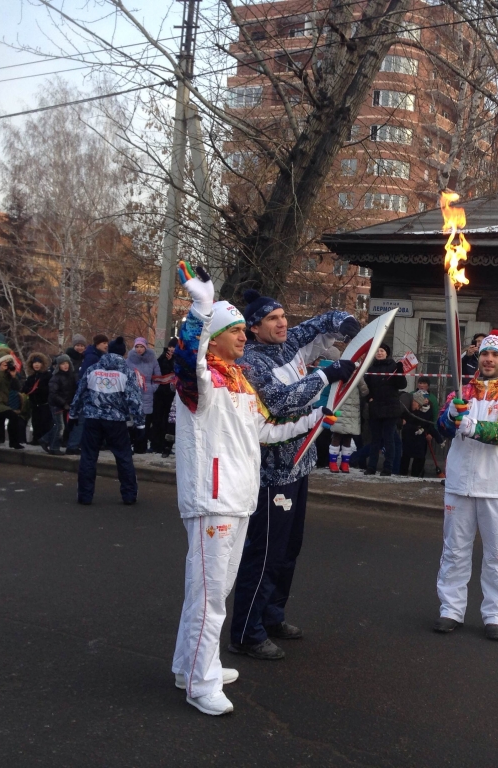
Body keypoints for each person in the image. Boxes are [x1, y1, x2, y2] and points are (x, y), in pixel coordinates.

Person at [169, 262, 329, 716]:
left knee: (213, 591)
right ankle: (201, 684)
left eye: (244, 329)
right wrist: (200, 308)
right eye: (234, 330)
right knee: (209, 593)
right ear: (213, 337)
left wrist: (315, 417)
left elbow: (266, 429)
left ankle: (191, 666)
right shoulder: (199, 381)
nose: (243, 336)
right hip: (212, 498)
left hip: (240, 496)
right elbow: (186, 358)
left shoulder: (238, 380)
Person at [228, 288, 360, 661]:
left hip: (299, 465)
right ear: (254, 328)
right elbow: (281, 401)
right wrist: (326, 375)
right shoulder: (252, 362)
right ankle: (246, 633)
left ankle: (272, 617)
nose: (283, 322)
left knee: (289, 551)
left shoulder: (289, 343)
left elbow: (322, 321)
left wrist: (349, 325)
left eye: (283, 315)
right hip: (272, 472)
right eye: (272, 319)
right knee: (265, 553)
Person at [433, 332, 498, 641]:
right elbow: (442, 429)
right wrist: (450, 415)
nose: (489, 359)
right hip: (459, 483)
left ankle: (496, 615)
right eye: (485, 353)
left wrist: (469, 424)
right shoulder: (461, 392)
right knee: (454, 551)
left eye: (495, 355)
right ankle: (450, 610)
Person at [69, 337, 144, 505]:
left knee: (88, 457)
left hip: (93, 419)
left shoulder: (93, 370)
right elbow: (135, 400)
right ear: (124, 353)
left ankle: (85, 496)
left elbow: (79, 393)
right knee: (123, 457)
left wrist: (73, 415)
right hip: (116, 421)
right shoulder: (126, 373)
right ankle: (129, 495)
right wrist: (140, 424)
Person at [363, 344, 406, 476]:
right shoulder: (371, 368)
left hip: (391, 409)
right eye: (377, 351)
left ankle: (388, 468)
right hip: (375, 408)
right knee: (375, 439)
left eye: (382, 351)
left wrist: (400, 372)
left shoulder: (394, 366)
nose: (379, 353)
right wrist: (369, 398)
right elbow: (365, 386)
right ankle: (371, 467)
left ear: (387, 353)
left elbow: (402, 385)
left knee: (389, 439)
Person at [67, 334, 110, 454]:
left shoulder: (97, 355)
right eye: (103, 343)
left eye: (107, 343)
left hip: (92, 392)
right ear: (97, 344)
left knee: (86, 420)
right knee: (81, 420)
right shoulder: (92, 357)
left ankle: (77, 444)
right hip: (89, 393)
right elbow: (85, 376)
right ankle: (73, 445)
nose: (106, 345)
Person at [126, 337, 161, 454]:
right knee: (131, 421)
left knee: (144, 422)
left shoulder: (152, 360)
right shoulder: (130, 359)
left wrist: (152, 388)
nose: (139, 349)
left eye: (141, 347)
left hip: (147, 393)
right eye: (137, 347)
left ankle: (141, 447)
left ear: (145, 347)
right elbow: (125, 374)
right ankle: (129, 445)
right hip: (133, 393)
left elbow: (157, 377)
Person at [329, 376, 366, 473]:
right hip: (340, 407)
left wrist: (359, 378)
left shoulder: (359, 373)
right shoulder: (341, 371)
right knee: (337, 435)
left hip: (353, 410)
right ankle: (332, 462)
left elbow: (365, 391)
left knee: (348, 436)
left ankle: (345, 463)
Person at [400, 391, 441, 477]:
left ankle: (416, 475)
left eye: (415, 402)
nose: (413, 404)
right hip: (408, 438)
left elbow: (428, 424)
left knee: (419, 458)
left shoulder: (425, 412)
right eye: (413, 402)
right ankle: (402, 474)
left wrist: (437, 438)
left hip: (420, 439)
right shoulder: (408, 410)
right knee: (405, 457)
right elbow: (404, 423)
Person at [42, 354, 77, 455]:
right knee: (60, 426)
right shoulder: (56, 377)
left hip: (65, 404)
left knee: (60, 426)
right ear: (58, 366)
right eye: (62, 364)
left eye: (67, 363)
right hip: (56, 404)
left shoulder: (71, 376)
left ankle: (45, 440)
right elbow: (53, 394)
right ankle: (54, 447)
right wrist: (64, 403)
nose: (65, 366)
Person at [21, 353, 53, 446]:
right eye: (34, 363)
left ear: (43, 364)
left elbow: (49, 389)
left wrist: (38, 389)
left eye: (39, 362)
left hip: (45, 404)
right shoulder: (31, 377)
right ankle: (36, 439)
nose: (36, 364)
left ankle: (45, 440)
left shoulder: (48, 375)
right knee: (35, 423)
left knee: (45, 423)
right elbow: (24, 389)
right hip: (34, 404)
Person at [153, 338, 177, 454]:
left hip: (171, 394)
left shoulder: (178, 359)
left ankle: (166, 445)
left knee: (168, 421)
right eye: (171, 347)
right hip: (160, 393)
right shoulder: (161, 358)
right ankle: (156, 444)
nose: (172, 349)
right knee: (158, 418)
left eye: (174, 347)